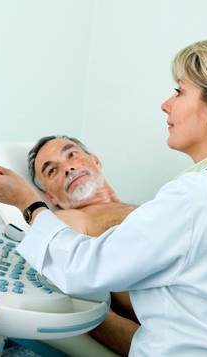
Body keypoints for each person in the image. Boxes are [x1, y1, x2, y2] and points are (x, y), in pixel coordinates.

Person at [0, 37, 207, 356]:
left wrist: (27, 203)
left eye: (179, 91)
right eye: (51, 170)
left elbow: (81, 267)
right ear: (49, 194)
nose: (166, 104)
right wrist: (31, 203)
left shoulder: (198, 196)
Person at [27, 135, 140, 356]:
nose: (67, 168)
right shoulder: (71, 221)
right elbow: (88, 311)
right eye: (53, 171)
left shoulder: (139, 208)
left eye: (72, 155)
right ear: (50, 196)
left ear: (96, 161)